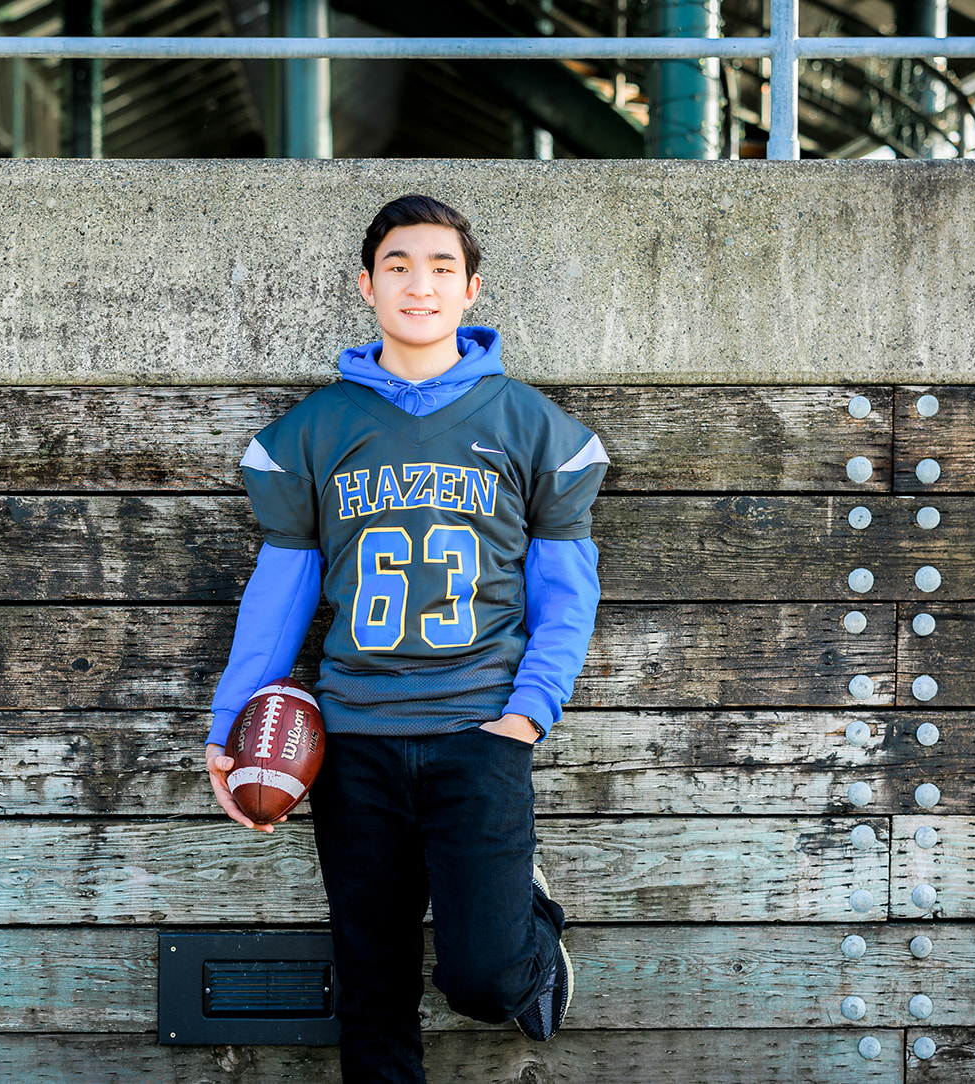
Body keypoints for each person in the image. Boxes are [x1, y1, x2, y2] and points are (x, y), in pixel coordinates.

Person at [205, 194, 608, 1083]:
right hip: (355, 738)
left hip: (479, 732)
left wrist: (529, 715)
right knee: (372, 991)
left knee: (481, 977)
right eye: (397, 266)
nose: (418, 285)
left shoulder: (529, 425)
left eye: (439, 268)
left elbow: (565, 593)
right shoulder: (317, 430)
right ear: (366, 285)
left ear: (472, 290)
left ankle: (529, 938)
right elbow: (283, 587)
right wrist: (228, 724)